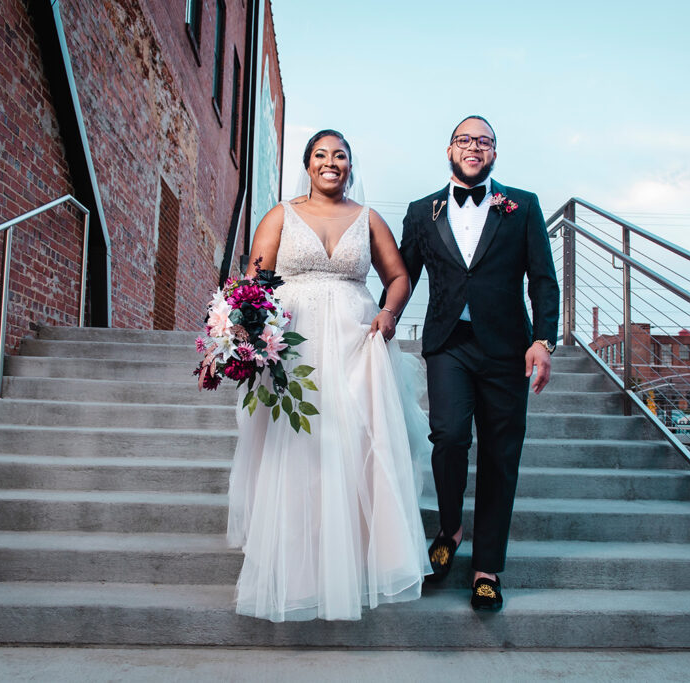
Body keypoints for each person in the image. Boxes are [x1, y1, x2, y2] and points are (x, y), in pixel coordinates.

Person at [226, 130, 432, 622]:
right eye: (321, 155)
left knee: (355, 446)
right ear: (308, 164)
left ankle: (361, 560)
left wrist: (390, 314)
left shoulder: (369, 218)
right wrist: (248, 333)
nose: (331, 162)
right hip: (295, 349)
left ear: (350, 166)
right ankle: (298, 568)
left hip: (357, 344)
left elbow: (399, 277)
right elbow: (255, 281)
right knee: (300, 449)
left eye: (340, 155)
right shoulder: (280, 214)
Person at [396, 115, 560, 611]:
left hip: (508, 346)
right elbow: (402, 276)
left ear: (494, 153)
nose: (474, 147)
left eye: (484, 142)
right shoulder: (422, 211)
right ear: (449, 149)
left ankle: (487, 566)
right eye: (465, 140)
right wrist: (382, 319)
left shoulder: (523, 206)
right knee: (447, 436)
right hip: (448, 342)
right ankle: (450, 527)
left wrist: (543, 341)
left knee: (499, 453)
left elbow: (543, 280)